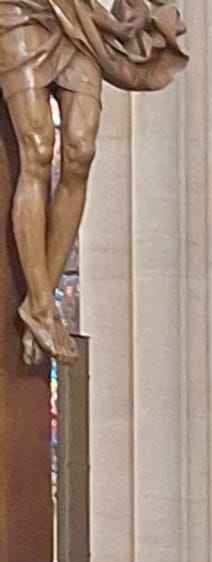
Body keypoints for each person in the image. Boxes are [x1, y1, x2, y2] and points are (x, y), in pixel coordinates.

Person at [0, 0, 187, 365]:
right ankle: (40, 304)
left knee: (81, 152)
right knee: (38, 148)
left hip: (78, 16)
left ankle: (41, 303)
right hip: (18, 11)